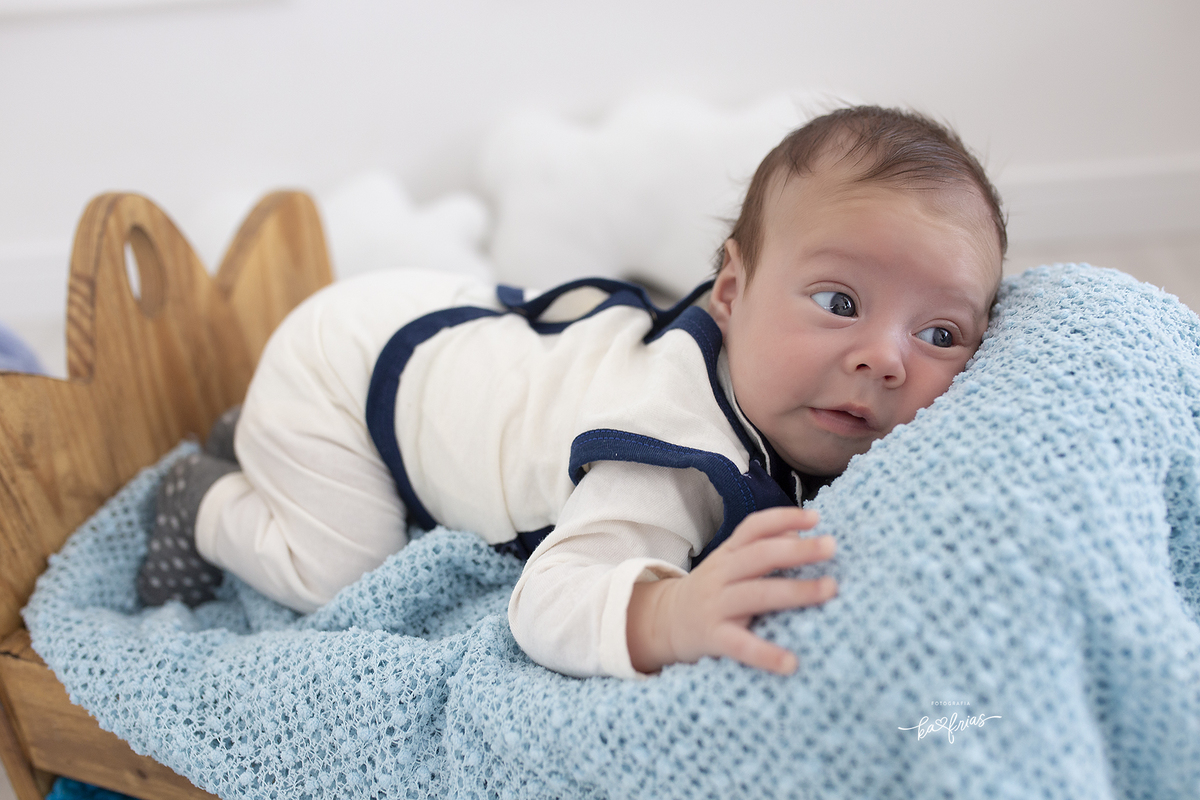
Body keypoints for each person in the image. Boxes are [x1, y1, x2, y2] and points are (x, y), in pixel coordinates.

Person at [138, 105, 1006, 680]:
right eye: (839, 302)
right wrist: (668, 612)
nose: (886, 360)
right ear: (731, 296)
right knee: (336, 567)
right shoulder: (670, 452)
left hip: (455, 332)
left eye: (940, 335)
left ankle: (265, 437)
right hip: (351, 371)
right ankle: (206, 496)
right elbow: (547, 601)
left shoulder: (804, 395)